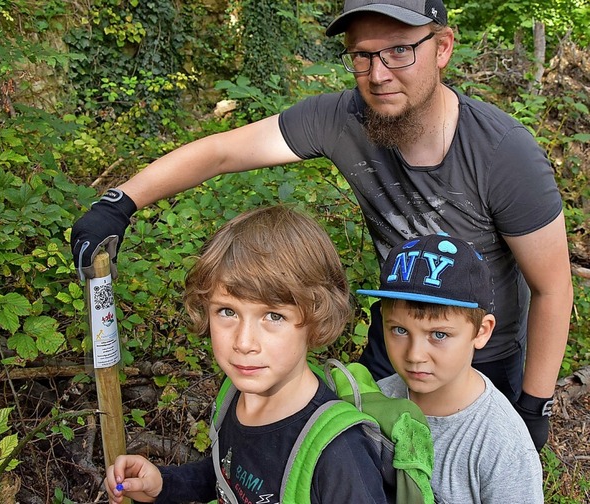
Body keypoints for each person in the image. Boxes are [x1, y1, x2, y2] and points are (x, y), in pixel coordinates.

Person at [71, 0, 573, 451]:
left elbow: (551, 288)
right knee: (384, 469)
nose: (377, 74)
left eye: (399, 51)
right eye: (362, 55)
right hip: (394, 343)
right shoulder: (344, 119)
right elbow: (223, 151)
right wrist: (121, 202)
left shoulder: (503, 154)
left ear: (442, 48)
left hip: (481, 355)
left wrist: (535, 404)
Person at [104, 205, 389, 504]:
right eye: (227, 312)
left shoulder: (339, 454)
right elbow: (225, 475)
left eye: (273, 316)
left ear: (317, 318)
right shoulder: (235, 395)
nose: (244, 342)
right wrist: (163, 484)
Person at [358, 233, 544, 503]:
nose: (415, 354)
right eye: (399, 330)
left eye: (439, 335)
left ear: (481, 331)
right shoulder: (377, 400)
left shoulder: (502, 444)